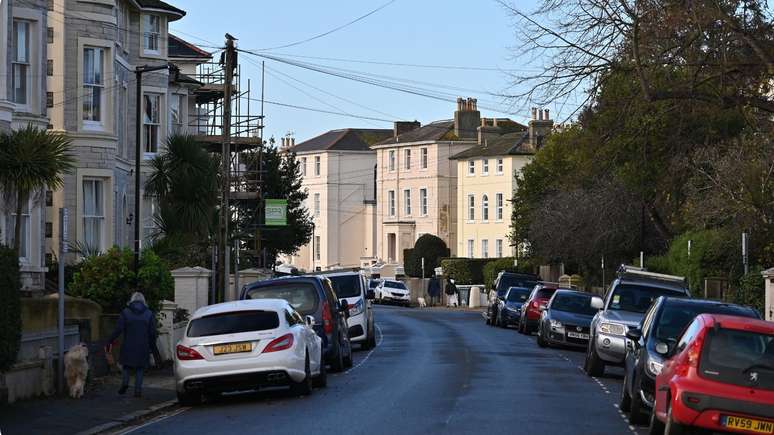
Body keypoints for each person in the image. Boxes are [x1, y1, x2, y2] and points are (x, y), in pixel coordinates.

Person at [106, 292, 160, 398]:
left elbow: (118, 329)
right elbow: (153, 333)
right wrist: (153, 347)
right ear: (144, 301)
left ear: (132, 300)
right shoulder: (149, 313)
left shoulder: (125, 312)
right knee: (140, 368)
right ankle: (138, 391)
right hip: (143, 346)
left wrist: (110, 340)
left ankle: (125, 383)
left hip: (128, 344)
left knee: (126, 366)